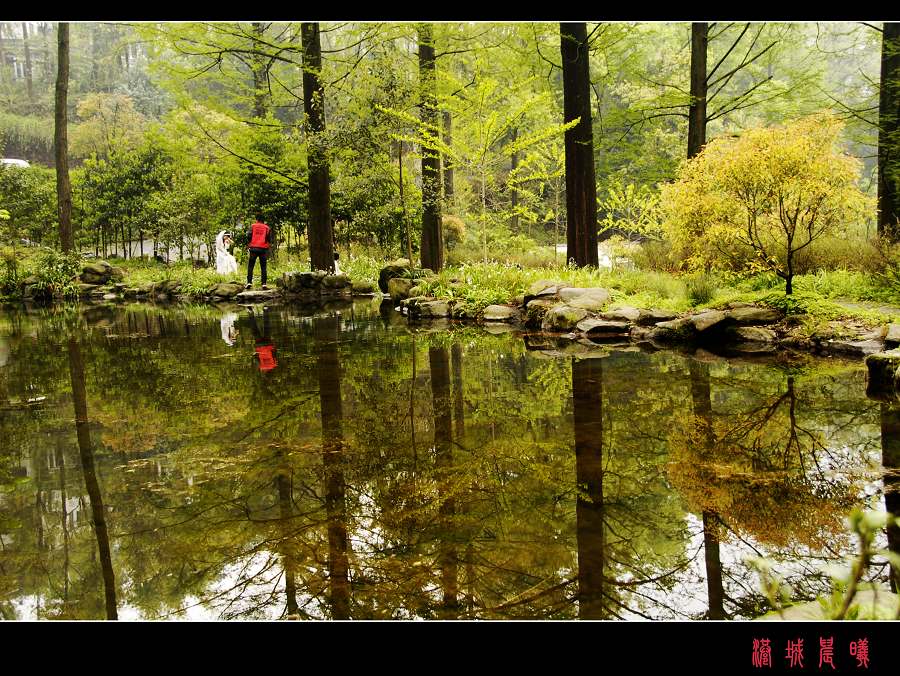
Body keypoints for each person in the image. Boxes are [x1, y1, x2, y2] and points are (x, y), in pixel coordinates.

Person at [246, 214, 272, 289]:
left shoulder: (252, 226)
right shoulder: (267, 228)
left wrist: (250, 242)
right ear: (264, 220)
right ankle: (264, 284)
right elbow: (269, 239)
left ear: (257, 219)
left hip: (253, 248)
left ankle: (249, 282)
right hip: (263, 249)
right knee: (263, 266)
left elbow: (248, 235)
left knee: (251, 266)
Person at [248, 306, 277, 372]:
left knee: (267, 327)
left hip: (268, 344)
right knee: (254, 329)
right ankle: (251, 312)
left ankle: (265, 310)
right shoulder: (261, 367)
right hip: (259, 345)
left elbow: (274, 353)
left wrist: (273, 344)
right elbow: (256, 357)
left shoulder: (274, 365)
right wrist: (255, 352)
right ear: (265, 372)